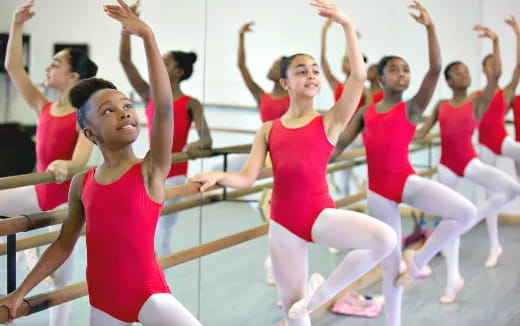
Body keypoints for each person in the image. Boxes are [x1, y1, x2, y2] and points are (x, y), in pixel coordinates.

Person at [190, 1, 397, 325]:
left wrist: (344, 24)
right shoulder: (269, 129)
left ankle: (322, 293)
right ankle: (308, 303)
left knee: (385, 239)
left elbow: (358, 77)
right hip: (282, 224)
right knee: (293, 312)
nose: (311, 75)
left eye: (314, 70)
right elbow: (247, 178)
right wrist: (219, 176)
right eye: (301, 71)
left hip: (319, 216)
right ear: (286, 83)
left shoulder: (330, 122)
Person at [0, 2, 201, 325]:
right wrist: (19, 292)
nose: (123, 112)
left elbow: (163, 108)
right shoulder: (84, 183)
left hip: (149, 294)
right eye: (108, 110)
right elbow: (64, 244)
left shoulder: (150, 171)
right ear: (91, 134)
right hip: (104, 303)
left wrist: (147, 37)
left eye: (126, 106)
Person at [330, 2, 476, 325]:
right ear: (379, 77)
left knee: (466, 212)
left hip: (405, 182)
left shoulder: (412, 108)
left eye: (406, 70)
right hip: (378, 193)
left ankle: (419, 257)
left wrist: (430, 27)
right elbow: (339, 143)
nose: (402, 74)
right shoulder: (367, 112)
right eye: (394, 69)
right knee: (389, 267)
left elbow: (435, 70)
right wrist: (316, 166)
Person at [2, 1, 97, 324]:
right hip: (38, 192)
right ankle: (28, 254)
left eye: (55, 64)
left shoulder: (83, 116)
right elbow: (14, 68)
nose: (48, 68)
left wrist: (64, 166)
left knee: (62, 280)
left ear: (72, 76)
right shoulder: (42, 106)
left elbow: (80, 161)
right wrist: (17, 25)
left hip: (65, 204)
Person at [119, 0, 212, 257]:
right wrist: (127, 29)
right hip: (151, 169)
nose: (159, 63)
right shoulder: (150, 95)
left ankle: (159, 269)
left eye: (166, 62)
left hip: (176, 172)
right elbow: (126, 61)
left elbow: (207, 139)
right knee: (144, 223)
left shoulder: (191, 103)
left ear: (179, 72)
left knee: (164, 227)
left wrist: (196, 145)